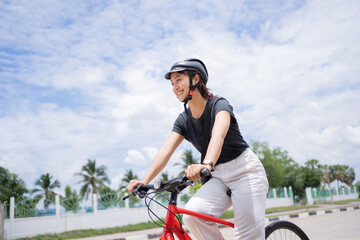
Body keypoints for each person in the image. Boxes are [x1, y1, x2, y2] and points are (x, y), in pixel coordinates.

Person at [127, 58, 269, 240]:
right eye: (172, 83)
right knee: (193, 216)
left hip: (245, 172)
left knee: (247, 235)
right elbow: (166, 151)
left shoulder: (219, 105)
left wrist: (207, 164)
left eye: (179, 80)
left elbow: (218, 135)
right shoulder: (183, 120)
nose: (174, 87)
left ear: (195, 79)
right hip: (219, 177)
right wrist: (144, 181)